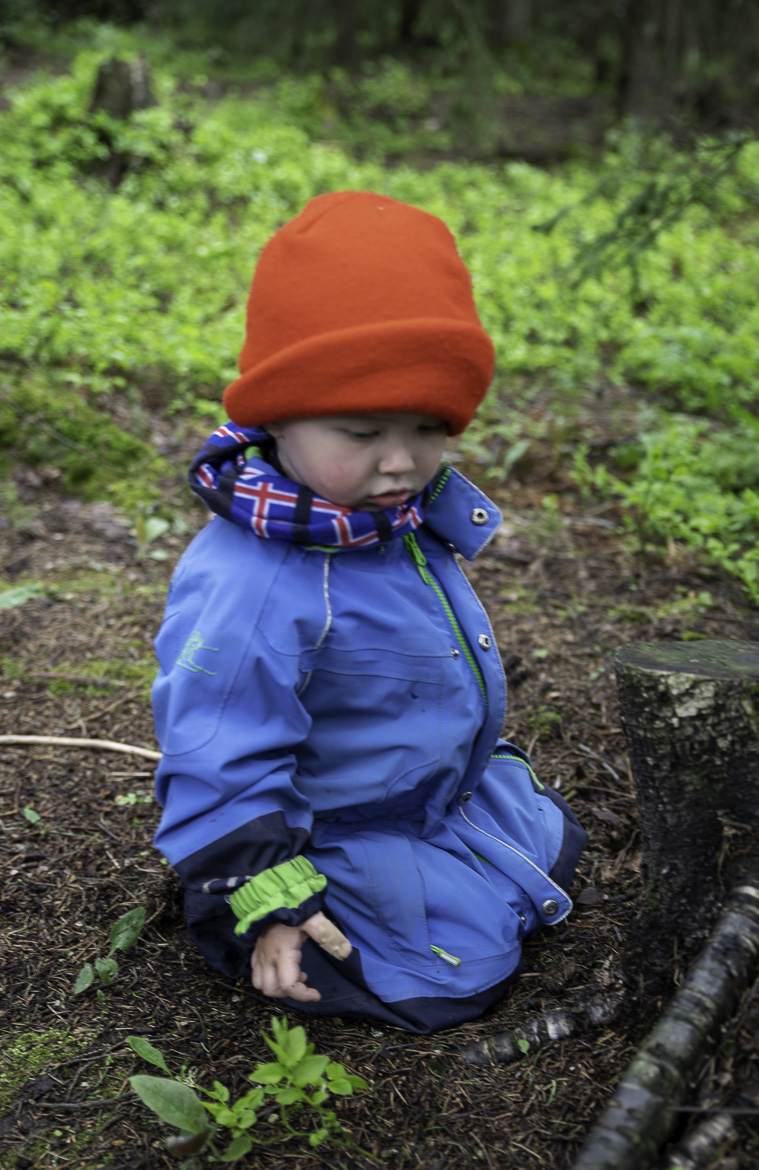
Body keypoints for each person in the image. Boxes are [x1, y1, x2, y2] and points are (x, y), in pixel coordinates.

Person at [152, 190, 586, 1034]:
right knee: (458, 972)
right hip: (324, 828)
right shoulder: (259, 581)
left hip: (427, 792)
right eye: (359, 430)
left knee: (549, 837)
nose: (400, 461)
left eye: (428, 426)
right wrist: (271, 901)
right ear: (276, 413)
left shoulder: (383, 518)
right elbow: (216, 762)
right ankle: (255, 917)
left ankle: (452, 843)